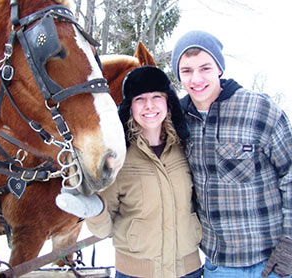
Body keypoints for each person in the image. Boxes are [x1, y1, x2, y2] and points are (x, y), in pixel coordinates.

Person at [171, 30, 292, 278]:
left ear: (219, 69)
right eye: (187, 71)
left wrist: (291, 247)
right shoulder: (177, 121)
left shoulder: (259, 109)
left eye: (205, 68)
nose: (196, 78)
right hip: (219, 265)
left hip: (270, 264)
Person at [84, 66, 203, 278]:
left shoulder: (187, 148)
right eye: (140, 99)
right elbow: (103, 229)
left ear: (168, 101)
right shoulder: (118, 157)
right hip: (134, 273)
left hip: (188, 270)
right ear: (130, 106)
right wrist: (92, 211)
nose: (149, 105)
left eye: (157, 96)